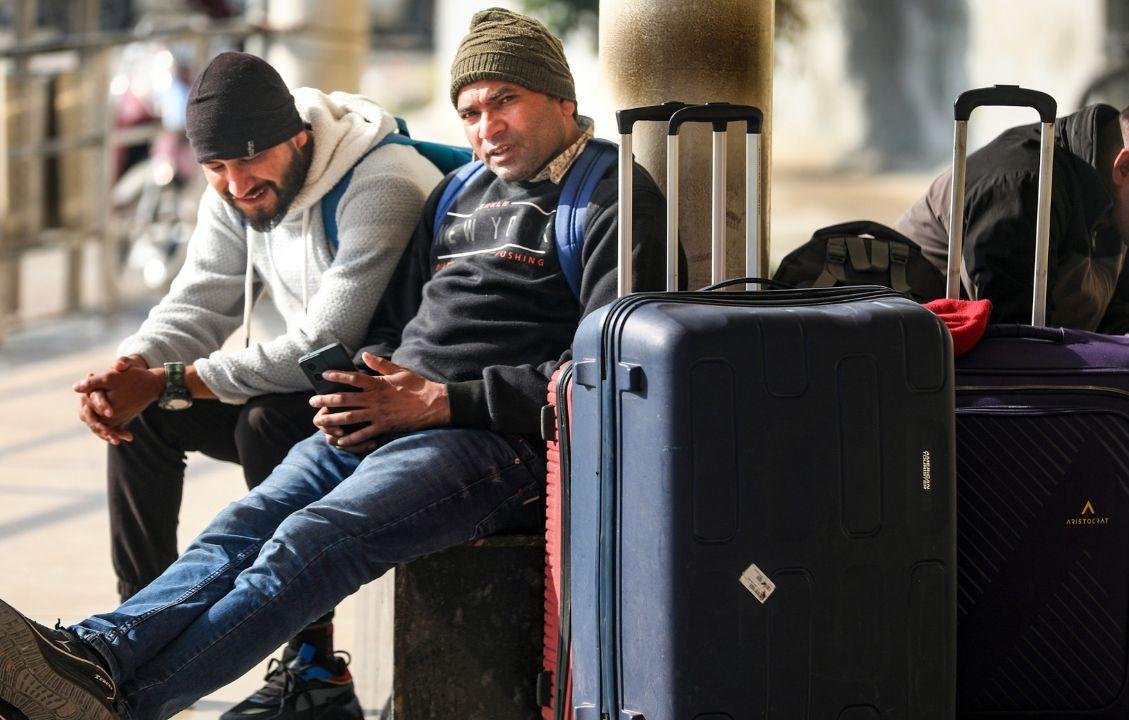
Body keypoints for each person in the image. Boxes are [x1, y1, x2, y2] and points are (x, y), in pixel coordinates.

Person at [0, 8, 666, 720]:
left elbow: (603, 376)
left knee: (310, 542)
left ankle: (121, 704)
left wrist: (439, 401)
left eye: (507, 101)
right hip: (391, 415)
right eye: (470, 111)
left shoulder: (611, 198)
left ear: (563, 99)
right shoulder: (459, 192)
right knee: (246, 522)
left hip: (493, 442)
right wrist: (366, 385)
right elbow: (395, 323)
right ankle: (94, 656)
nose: (486, 127)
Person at [70, 51, 444, 719]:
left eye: (250, 161)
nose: (236, 185)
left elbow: (322, 347)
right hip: (311, 392)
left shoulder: (385, 181)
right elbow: (201, 299)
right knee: (150, 416)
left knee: (266, 419)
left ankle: (314, 667)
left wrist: (173, 378)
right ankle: (135, 632)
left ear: (298, 135)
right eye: (215, 168)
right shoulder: (234, 190)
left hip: (392, 407)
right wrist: (132, 369)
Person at [896, 87, 1129, 712]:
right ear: (1126, 165)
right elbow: (1010, 357)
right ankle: (1051, 636)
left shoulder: (1126, 206)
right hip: (949, 397)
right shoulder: (1018, 186)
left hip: (1035, 381)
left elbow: (1127, 314)